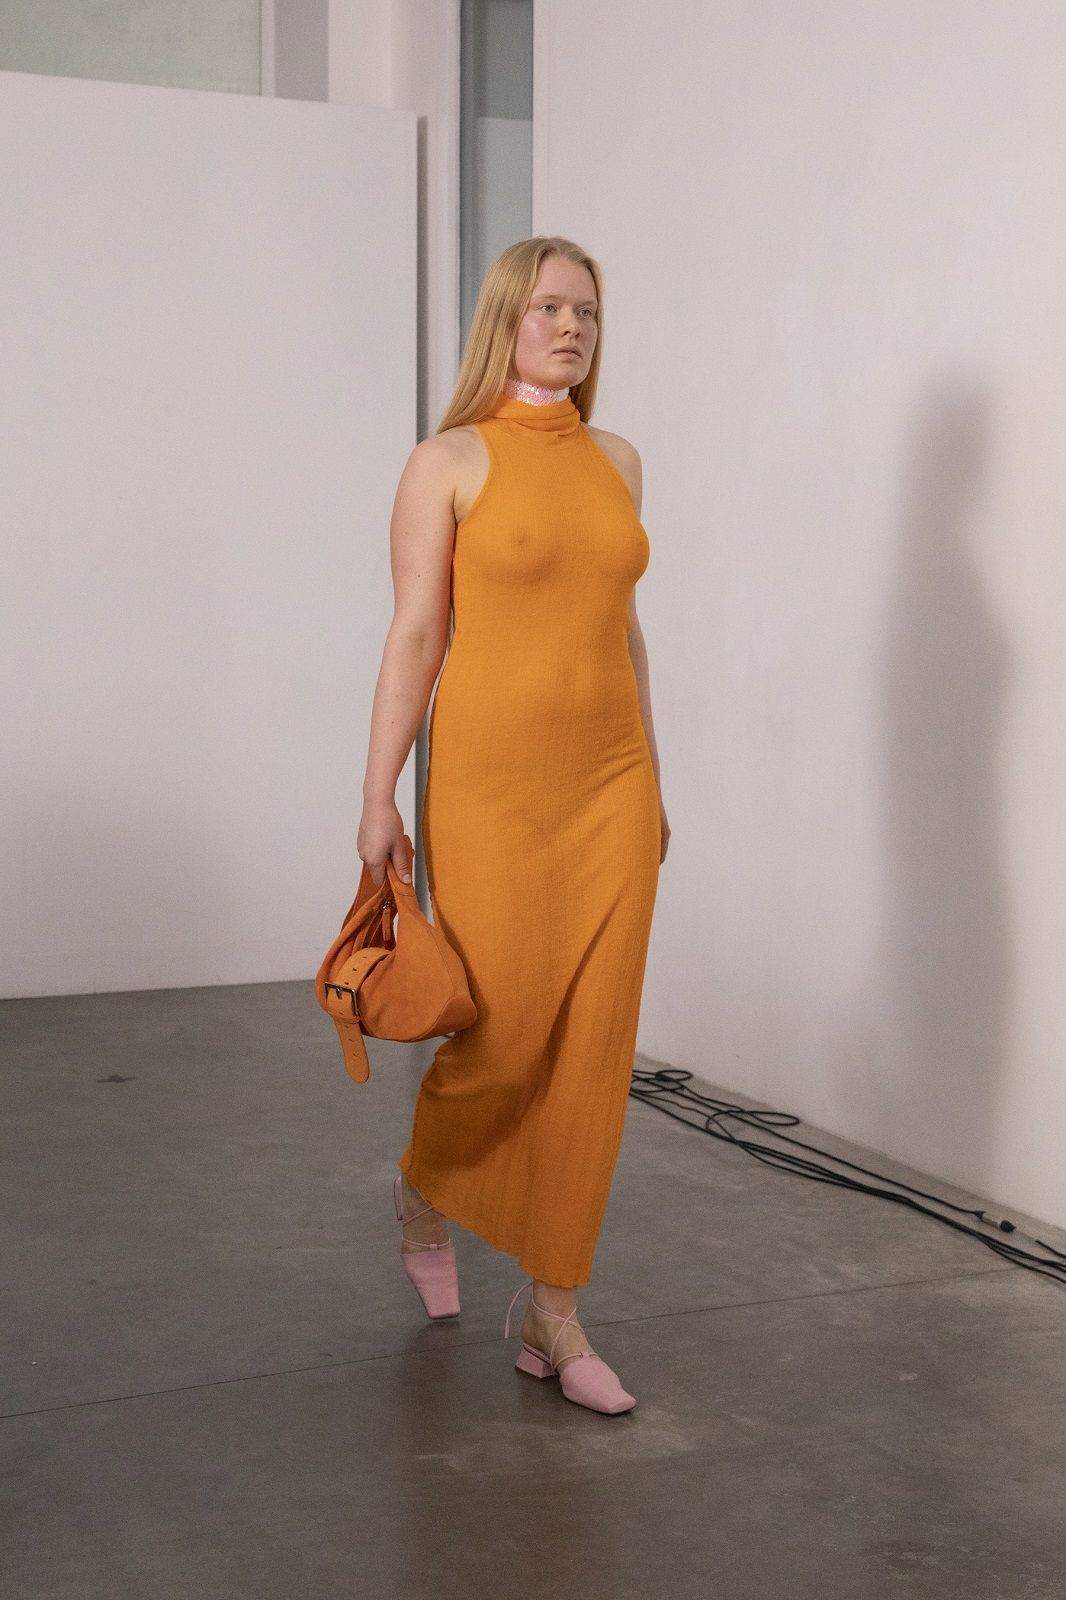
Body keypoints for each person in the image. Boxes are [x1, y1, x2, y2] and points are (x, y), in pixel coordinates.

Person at [357, 236, 670, 1415]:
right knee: (499, 1029)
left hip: (612, 783)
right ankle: (424, 1184)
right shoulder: (447, 461)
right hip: (490, 786)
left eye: (586, 310)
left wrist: (655, 779)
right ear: (504, 320)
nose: (572, 327)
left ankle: (553, 1309)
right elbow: (415, 634)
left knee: (594, 1045)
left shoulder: (617, 459)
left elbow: (623, 630)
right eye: (549, 307)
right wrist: (378, 794)